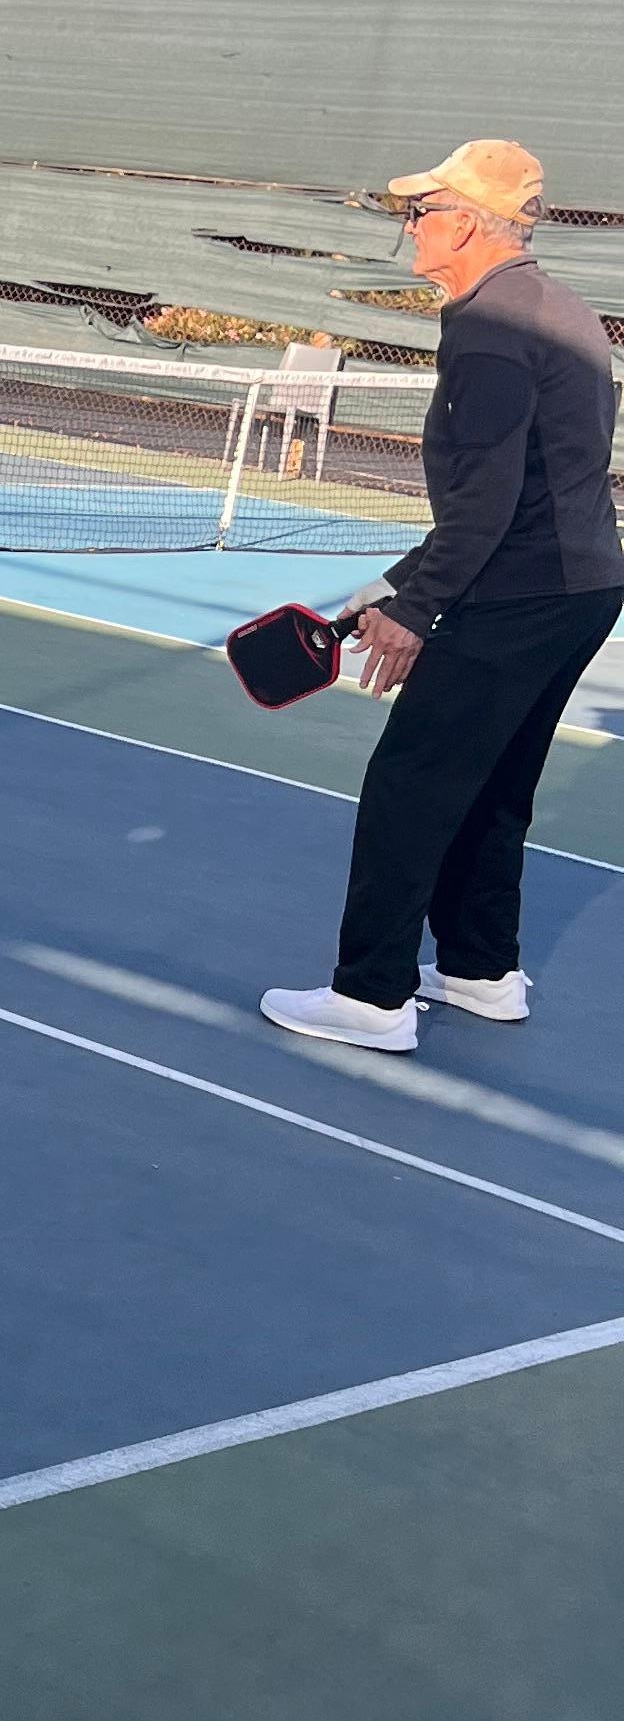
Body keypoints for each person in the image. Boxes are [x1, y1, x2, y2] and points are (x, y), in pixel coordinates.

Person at [261, 138, 623, 1054]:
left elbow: (490, 500)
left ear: (464, 221)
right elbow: (536, 485)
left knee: (410, 786)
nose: (410, 227)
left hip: (517, 594)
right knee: (495, 784)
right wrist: (394, 586)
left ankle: (371, 993)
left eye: (420, 212)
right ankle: (481, 971)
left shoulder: (492, 328)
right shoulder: (562, 309)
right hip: (583, 588)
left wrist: (416, 613)